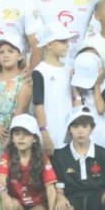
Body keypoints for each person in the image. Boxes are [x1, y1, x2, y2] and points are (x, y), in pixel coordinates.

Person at [0, 114, 58, 210]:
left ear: (35, 138)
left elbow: (51, 189)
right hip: (17, 204)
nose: (21, 138)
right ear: (12, 138)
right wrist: (4, 196)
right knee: (8, 205)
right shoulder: (6, 157)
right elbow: (1, 181)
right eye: (17, 133)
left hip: (37, 205)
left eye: (26, 134)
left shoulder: (43, 159)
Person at [0, 36, 31, 158]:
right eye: (1, 52)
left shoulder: (25, 81)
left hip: (15, 132)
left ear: (20, 56)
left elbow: (21, 108)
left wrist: (11, 134)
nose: (5, 55)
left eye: (10, 51)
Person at [33, 22, 75, 153]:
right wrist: (44, 134)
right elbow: (38, 104)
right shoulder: (39, 71)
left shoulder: (70, 70)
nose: (67, 45)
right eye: (62, 41)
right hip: (51, 134)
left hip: (70, 133)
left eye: (67, 41)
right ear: (49, 44)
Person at [69, 51, 105, 151]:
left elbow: (100, 109)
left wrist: (96, 85)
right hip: (88, 144)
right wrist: (75, 87)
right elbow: (78, 111)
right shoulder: (80, 88)